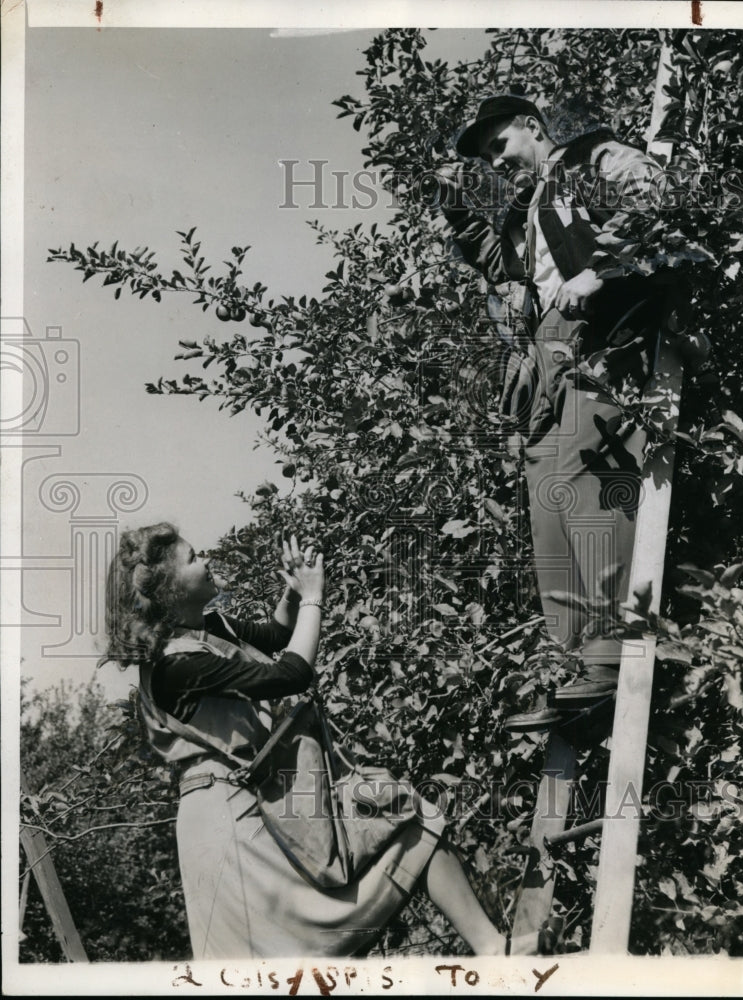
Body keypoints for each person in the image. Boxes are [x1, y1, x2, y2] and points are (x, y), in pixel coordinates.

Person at [102, 522, 530, 957]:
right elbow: (291, 673)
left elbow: (278, 636)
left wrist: (291, 593)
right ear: (171, 590)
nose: (207, 560)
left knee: (403, 815)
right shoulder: (177, 667)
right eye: (193, 558)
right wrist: (312, 596)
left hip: (252, 801)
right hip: (227, 822)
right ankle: (492, 948)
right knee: (261, 959)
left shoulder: (209, 629)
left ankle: (493, 947)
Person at [436, 94, 696, 726]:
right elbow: (503, 269)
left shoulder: (591, 159)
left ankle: (612, 654)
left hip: (605, 343)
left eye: (500, 146)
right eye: (488, 159)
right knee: (546, 492)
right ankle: (573, 659)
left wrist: (600, 271)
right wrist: (458, 209)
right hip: (548, 362)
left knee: (587, 482)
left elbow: (658, 197)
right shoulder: (526, 212)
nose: (498, 163)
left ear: (533, 126)